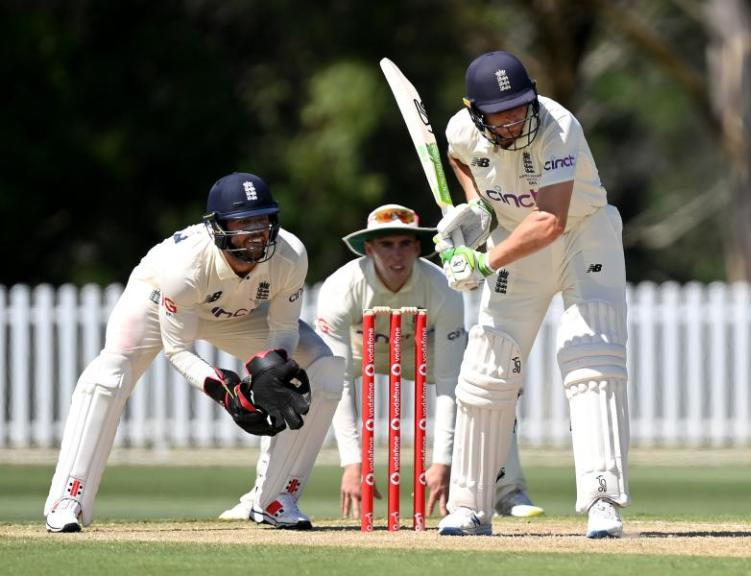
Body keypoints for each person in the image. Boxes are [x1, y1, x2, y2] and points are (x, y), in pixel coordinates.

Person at [44, 172, 345, 533]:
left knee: (323, 367)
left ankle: (275, 497)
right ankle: (69, 497)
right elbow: (178, 350)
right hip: (158, 303)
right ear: (218, 227)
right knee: (110, 374)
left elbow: (282, 330)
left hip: (241, 313)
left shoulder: (290, 254)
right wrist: (227, 391)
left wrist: (271, 370)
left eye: (263, 219)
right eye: (244, 222)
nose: (256, 232)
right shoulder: (183, 265)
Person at [219, 203, 542, 522]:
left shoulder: (442, 286)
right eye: (386, 244)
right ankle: (261, 495)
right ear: (369, 249)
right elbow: (339, 378)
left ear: (418, 248)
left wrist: (442, 463)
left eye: (405, 244)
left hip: (419, 348)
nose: (396, 255)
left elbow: (447, 381)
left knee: (485, 384)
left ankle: (508, 491)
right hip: (360, 349)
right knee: (289, 387)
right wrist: (353, 464)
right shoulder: (341, 286)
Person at [434, 51, 630, 538]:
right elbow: (458, 156)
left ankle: (603, 500)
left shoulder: (557, 126)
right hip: (517, 240)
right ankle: (468, 507)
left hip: (584, 234)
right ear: (476, 111)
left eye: (520, 106)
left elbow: (550, 220)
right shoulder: (462, 128)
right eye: (500, 112)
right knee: (488, 364)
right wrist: (477, 210)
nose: (513, 119)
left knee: (592, 355)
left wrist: (481, 260)